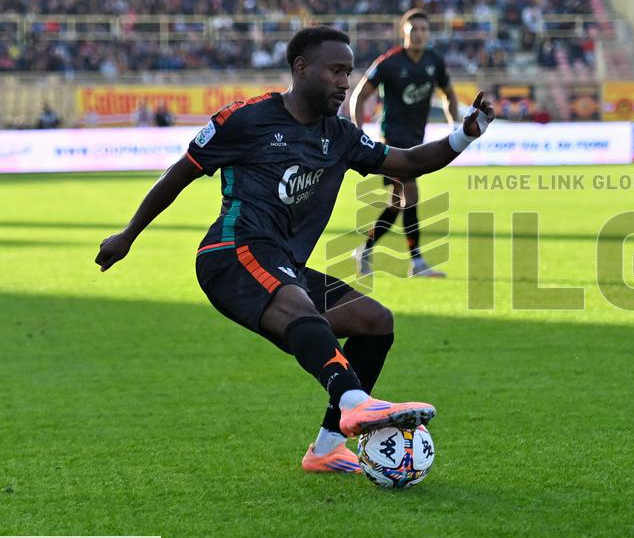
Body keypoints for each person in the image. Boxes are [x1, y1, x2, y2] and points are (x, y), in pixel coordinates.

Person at [95, 26, 495, 472]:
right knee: (300, 309)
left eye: (349, 72)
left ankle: (326, 448)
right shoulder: (246, 119)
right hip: (232, 252)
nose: (345, 82)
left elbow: (410, 162)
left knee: (374, 322)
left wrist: (466, 133)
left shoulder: (340, 135)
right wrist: (128, 235)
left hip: (283, 265)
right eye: (336, 71)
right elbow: (181, 172)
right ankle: (354, 402)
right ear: (301, 68)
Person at [349, 8, 461, 278]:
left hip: (416, 141)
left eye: (424, 30)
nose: (419, 34)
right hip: (393, 140)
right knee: (410, 195)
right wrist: (357, 131)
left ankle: (365, 249)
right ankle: (418, 262)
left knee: (398, 203)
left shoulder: (434, 61)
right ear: (405, 33)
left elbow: (449, 94)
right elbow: (361, 94)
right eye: (414, 30)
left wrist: (455, 128)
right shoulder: (390, 62)